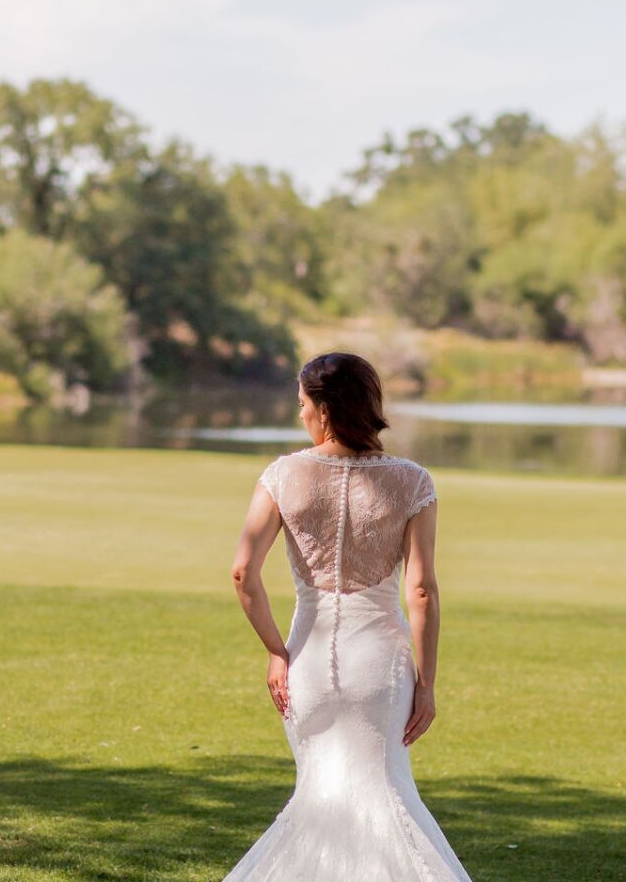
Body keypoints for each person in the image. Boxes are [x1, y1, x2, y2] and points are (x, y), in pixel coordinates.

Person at [223, 352, 473, 881]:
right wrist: (426, 683)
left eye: (303, 405)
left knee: (319, 801)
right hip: (379, 666)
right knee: (386, 798)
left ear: (325, 410)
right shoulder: (411, 481)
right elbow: (421, 591)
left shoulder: (283, 475)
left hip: (307, 662)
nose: (301, 417)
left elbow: (244, 573)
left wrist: (275, 651)